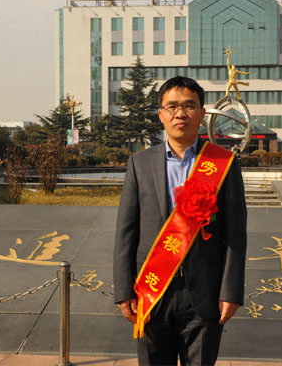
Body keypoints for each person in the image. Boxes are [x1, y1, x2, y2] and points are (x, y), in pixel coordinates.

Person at [113, 76, 247, 366]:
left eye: (189, 105)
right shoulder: (140, 164)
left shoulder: (223, 163)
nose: (180, 113)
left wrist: (231, 292)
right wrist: (123, 290)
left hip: (205, 293)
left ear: (202, 113)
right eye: (172, 106)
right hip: (152, 290)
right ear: (160, 114)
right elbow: (126, 231)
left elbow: (236, 235)